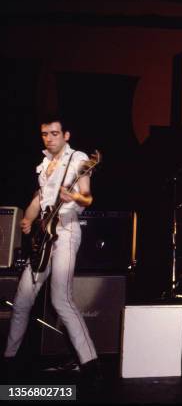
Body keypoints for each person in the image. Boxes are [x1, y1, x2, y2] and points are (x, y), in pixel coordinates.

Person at [2, 116, 101, 382]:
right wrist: (29, 218)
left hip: (67, 231)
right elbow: (39, 197)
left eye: (54, 133)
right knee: (22, 299)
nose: (49, 138)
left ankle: (91, 364)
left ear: (66, 135)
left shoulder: (78, 159)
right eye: (45, 134)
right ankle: (9, 359)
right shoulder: (45, 163)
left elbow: (87, 198)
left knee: (61, 299)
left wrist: (75, 197)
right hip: (44, 235)